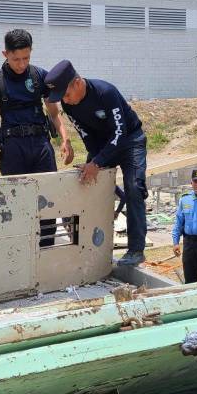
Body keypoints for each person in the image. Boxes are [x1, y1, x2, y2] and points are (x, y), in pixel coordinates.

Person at [44, 60, 147, 264]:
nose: (66, 100)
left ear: (77, 83)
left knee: (134, 187)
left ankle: (136, 250)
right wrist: (94, 163)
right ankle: (84, 245)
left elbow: (120, 132)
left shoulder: (105, 93)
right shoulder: (68, 104)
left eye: (66, 94)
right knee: (84, 181)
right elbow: (87, 137)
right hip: (102, 145)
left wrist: (97, 163)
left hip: (129, 141)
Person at [0, 29, 73, 246]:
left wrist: (65, 139)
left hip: (41, 145)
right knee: (15, 202)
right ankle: (18, 251)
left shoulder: (39, 76)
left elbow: (53, 112)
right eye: (16, 59)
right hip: (13, 148)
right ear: (5, 54)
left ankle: (46, 248)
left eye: (26, 58)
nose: (21, 64)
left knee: (48, 200)